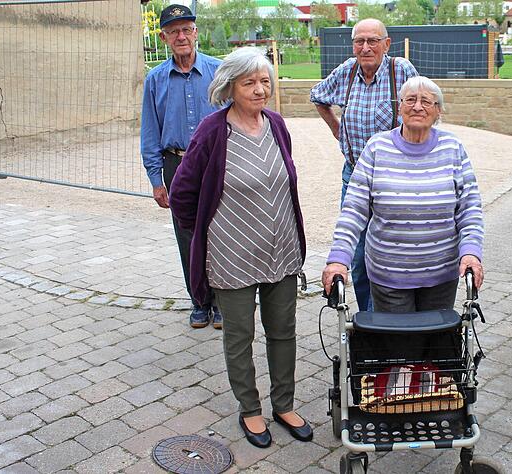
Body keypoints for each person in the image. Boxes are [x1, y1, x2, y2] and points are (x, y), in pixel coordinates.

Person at [169, 47, 312, 448]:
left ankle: (283, 404)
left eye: (265, 81)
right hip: (231, 253)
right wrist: (204, 233)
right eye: (249, 82)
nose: (260, 89)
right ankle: (250, 409)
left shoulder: (277, 125)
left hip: (280, 250)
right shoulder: (213, 132)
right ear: (230, 87)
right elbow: (182, 193)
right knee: (239, 336)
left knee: (283, 332)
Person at [322, 76, 484, 314]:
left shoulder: (452, 147)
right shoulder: (377, 148)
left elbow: (469, 208)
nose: (418, 106)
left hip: (441, 276)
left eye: (427, 101)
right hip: (388, 276)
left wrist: (471, 252)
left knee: (435, 344)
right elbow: (353, 210)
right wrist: (339, 257)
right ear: (399, 108)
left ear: (438, 111)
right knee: (396, 345)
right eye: (410, 100)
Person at [310, 18, 418, 312]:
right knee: (356, 255)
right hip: (354, 176)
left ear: (386, 44)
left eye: (373, 41)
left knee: (392, 250)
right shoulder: (346, 71)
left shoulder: (400, 71)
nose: (366, 47)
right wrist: (337, 129)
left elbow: (420, 110)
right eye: (360, 41)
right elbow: (317, 96)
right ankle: (369, 318)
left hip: (394, 178)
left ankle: (394, 314)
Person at [140, 4, 222, 329]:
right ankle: (199, 302)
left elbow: (236, 121)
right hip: (177, 164)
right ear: (164, 37)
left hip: (215, 162)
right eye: (174, 31)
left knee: (219, 233)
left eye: (187, 29)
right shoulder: (155, 80)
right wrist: (155, 180)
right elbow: (149, 132)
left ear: (196, 33)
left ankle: (221, 302)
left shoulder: (218, 71)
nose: (181, 36)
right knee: (187, 236)